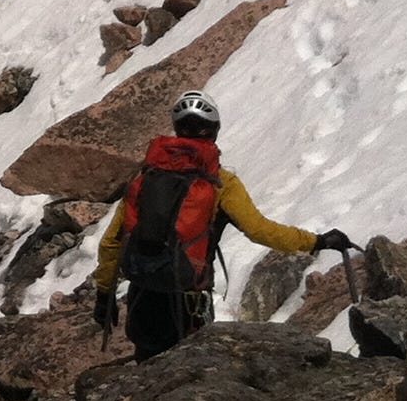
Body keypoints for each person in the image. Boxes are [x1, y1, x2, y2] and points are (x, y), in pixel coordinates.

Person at [90, 90, 351, 360]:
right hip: (187, 302)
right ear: (214, 130)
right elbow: (259, 230)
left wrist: (104, 294)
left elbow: (112, 241)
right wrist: (316, 241)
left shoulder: (145, 177)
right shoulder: (220, 183)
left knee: (147, 369)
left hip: (143, 295)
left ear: (177, 129)